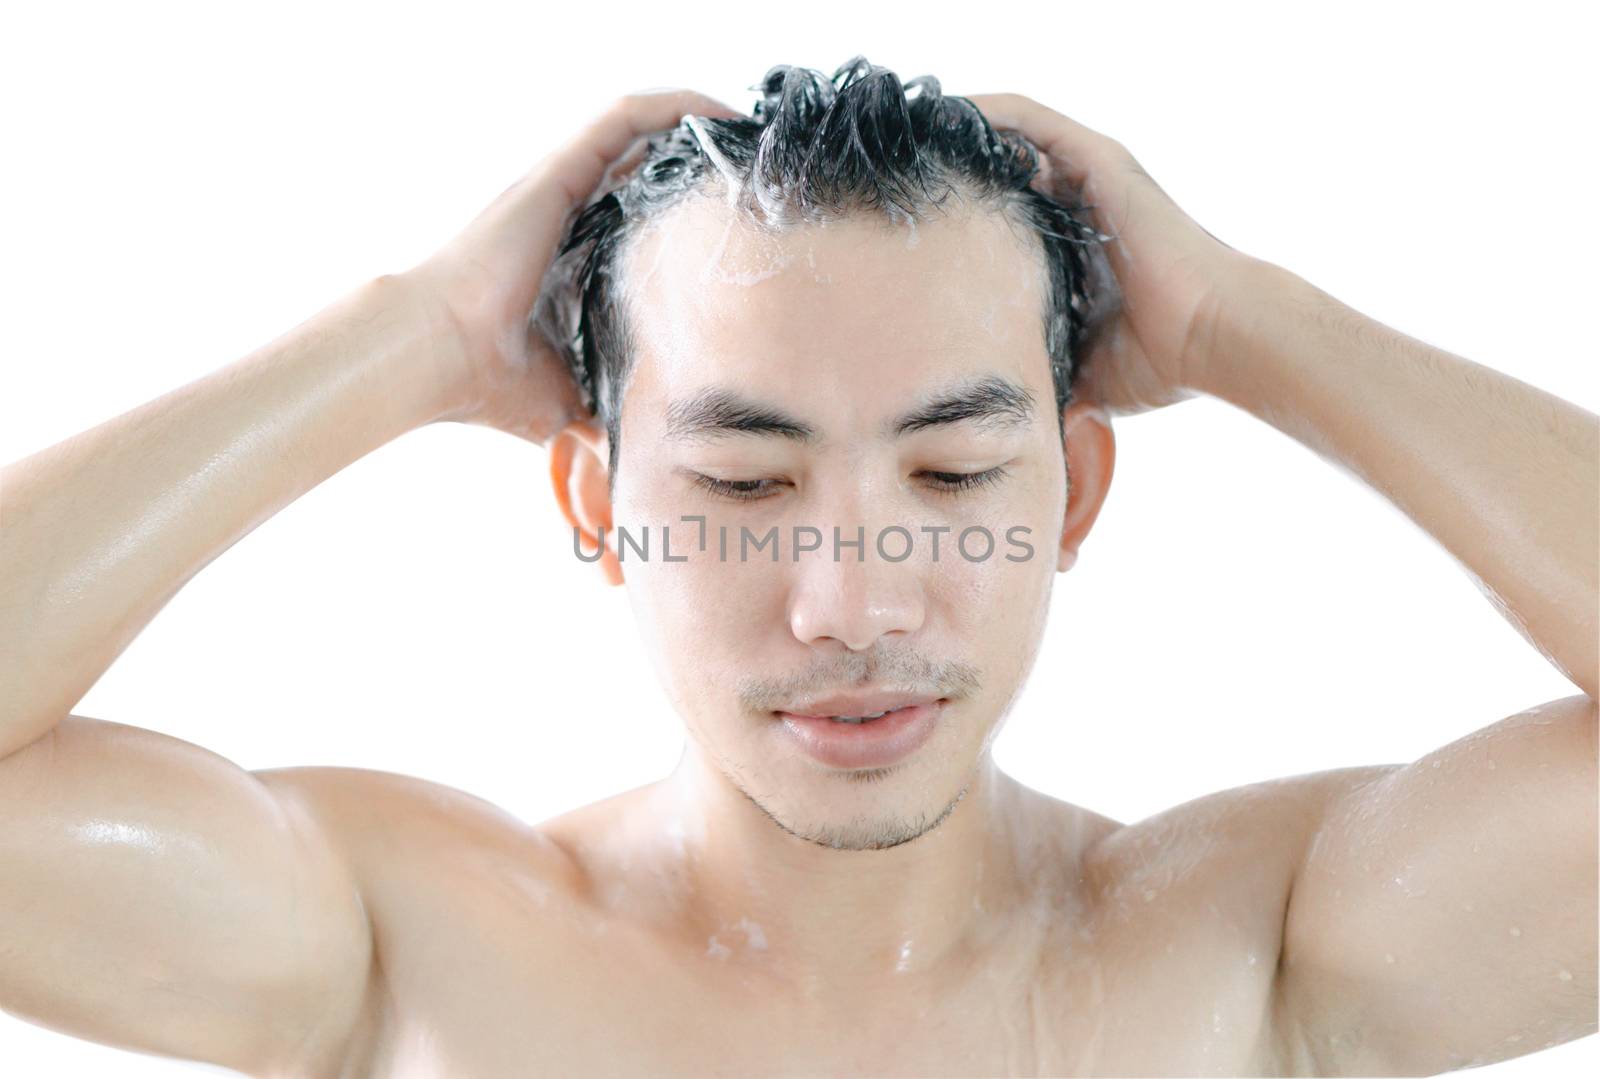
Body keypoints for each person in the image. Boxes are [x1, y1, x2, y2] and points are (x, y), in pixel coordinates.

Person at [0, 56, 1594, 1077]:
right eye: (746, 483)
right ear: (596, 502)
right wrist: (411, 336)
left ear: (1076, 490)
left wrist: (1242, 322)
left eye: (956, 472)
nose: (852, 606)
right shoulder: (400, 943)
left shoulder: (1253, 954)